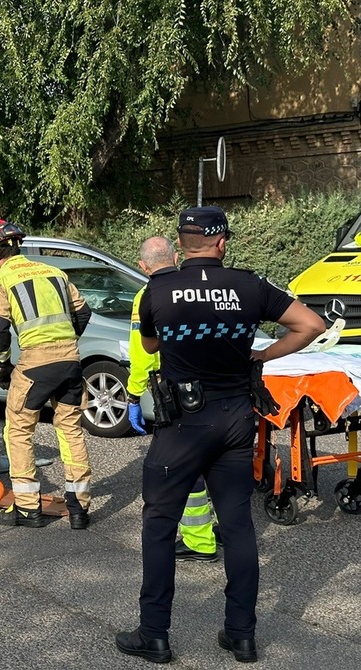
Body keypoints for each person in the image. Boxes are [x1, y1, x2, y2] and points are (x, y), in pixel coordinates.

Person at [115, 206, 324, 664]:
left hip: (183, 424)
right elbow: (312, 325)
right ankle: (241, 635)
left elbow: (150, 344)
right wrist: (262, 354)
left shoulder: (157, 289)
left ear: (180, 244)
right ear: (223, 243)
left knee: (158, 524)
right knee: (237, 523)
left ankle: (154, 634)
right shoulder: (250, 285)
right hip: (235, 418)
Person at [0, 219, 93, 529]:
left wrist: (3, 364)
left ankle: (28, 508)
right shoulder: (55, 272)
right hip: (70, 360)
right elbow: (83, 312)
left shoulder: (1, 280)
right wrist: (66, 343)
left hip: (35, 363)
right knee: (70, 429)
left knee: (18, 430)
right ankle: (79, 507)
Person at [127, 236, 218, 563]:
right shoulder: (206, 286)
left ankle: (199, 540)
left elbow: (144, 353)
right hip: (219, 389)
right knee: (215, 460)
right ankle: (217, 526)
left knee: (183, 465)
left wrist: (134, 394)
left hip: (181, 392)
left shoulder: (148, 296)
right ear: (176, 256)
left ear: (143, 266)